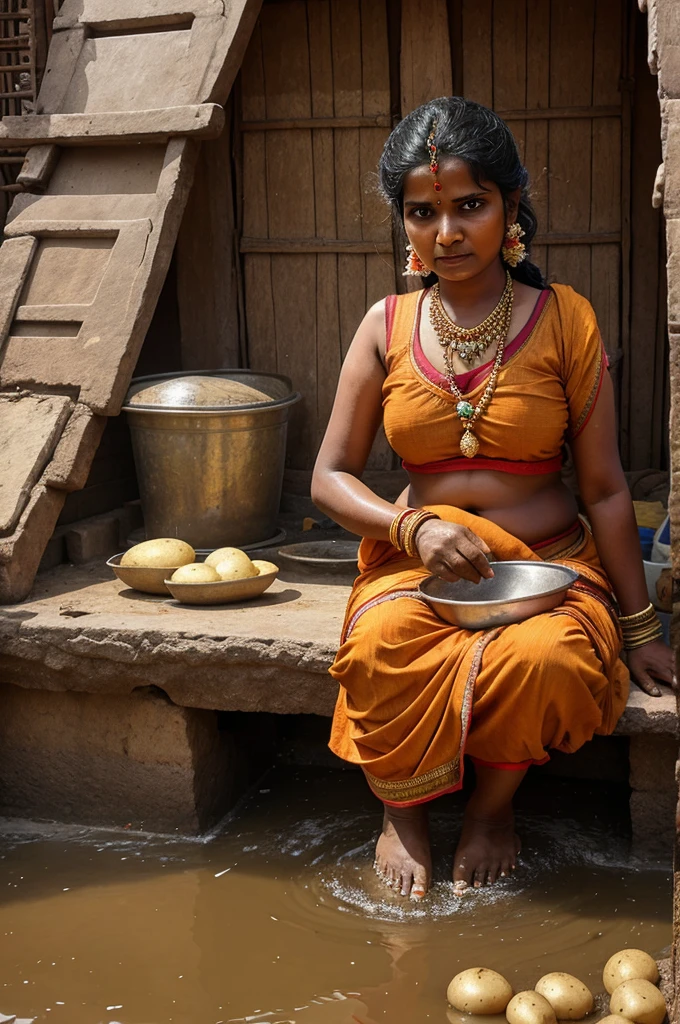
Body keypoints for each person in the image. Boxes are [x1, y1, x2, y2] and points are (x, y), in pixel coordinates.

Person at [310, 97, 675, 903]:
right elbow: (329, 477)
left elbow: (608, 488)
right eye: (423, 212)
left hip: (547, 569)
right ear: (403, 224)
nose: (447, 232)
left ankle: (490, 811)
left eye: (469, 205)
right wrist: (412, 526)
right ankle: (402, 814)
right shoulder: (385, 324)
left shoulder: (565, 319)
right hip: (420, 569)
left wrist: (641, 626)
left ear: (511, 206)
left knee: (543, 659)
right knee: (377, 648)